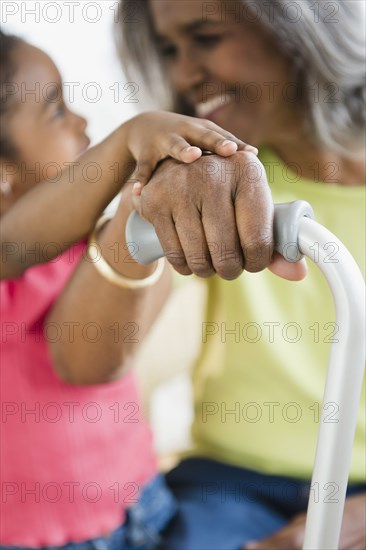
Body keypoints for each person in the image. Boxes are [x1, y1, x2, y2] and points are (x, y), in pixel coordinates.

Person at [116, 0, 366, 548]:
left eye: (205, 37)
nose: (182, 74)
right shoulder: (216, 180)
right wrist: (148, 179)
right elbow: (99, 353)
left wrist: (334, 527)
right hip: (227, 483)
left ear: (300, 30)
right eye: (168, 50)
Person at [0, 29, 261, 549]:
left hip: (146, 506)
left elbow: (117, 341)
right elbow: (14, 245)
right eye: (56, 111)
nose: (82, 123)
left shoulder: (90, 238)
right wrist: (129, 139)